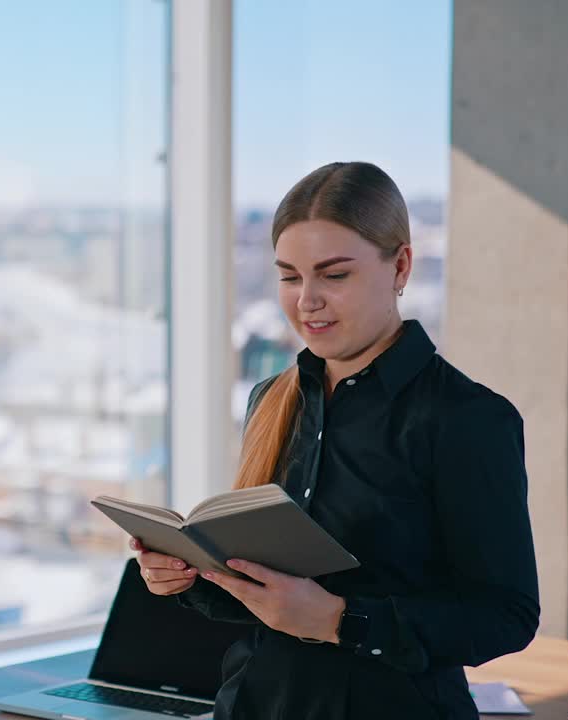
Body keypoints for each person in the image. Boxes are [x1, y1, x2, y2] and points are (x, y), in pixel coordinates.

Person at [133, 161, 540, 719]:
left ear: (400, 266)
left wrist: (338, 620)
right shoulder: (271, 400)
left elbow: (505, 616)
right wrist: (185, 578)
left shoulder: (467, 419)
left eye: (334, 274)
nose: (307, 300)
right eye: (290, 276)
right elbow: (265, 594)